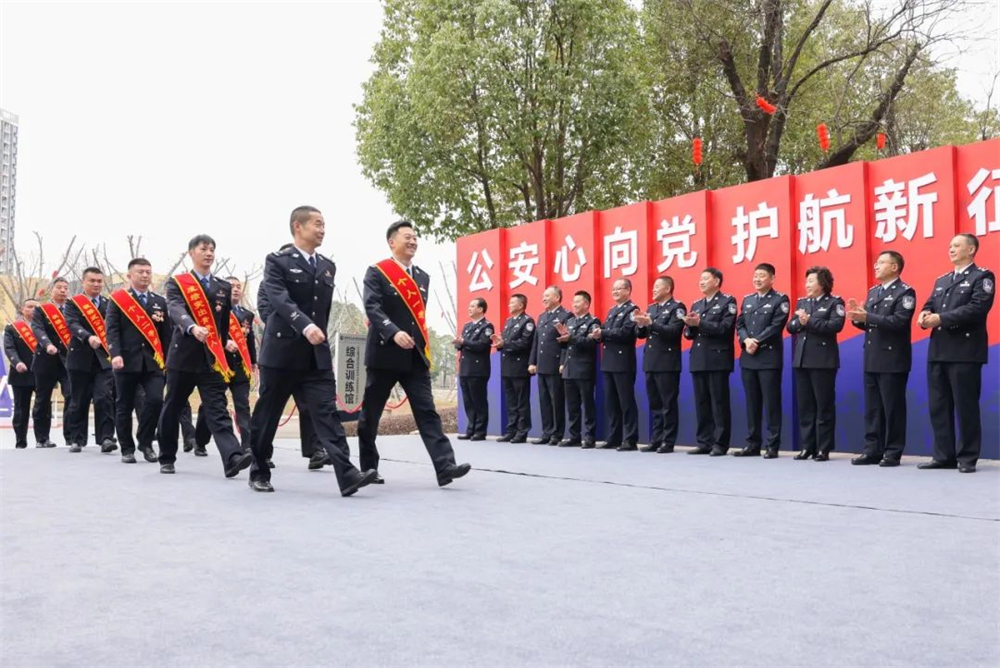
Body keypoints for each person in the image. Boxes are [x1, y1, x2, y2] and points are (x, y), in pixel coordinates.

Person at [247, 206, 379, 495]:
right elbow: (280, 300)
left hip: (314, 355)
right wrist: (305, 326)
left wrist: (315, 333)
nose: (322, 230)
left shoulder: (327, 265)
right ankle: (258, 470)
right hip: (281, 354)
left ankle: (347, 475)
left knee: (327, 414)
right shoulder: (276, 261)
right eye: (317, 224)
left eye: (324, 225)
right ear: (298, 226)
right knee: (268, 416)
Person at [357, 220, 471, 487]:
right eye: (407, 237)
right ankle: (368, 468)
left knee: (427, 411)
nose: (413, 241)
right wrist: (393, 331)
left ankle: (445, 467)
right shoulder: (377, 272)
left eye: (415, 238)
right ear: (392, 242)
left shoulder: (422, 277)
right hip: (384, 354)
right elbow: (372, 308)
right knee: (370, 415)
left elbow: (416, 318)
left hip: (414, 356)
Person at [156, 234, 253, 477]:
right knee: (173, 406)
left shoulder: (223, 286)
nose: (208, 253)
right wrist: (191, 326)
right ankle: (167, 457)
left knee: (217, 408)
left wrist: (225, 343)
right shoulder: (178, 283)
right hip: (183, 358)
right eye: (203, 249)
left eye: (211, 249)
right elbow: (175, 309)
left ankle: (232, 457)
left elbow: (223, 324)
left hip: (212, 359)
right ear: (191, 253)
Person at [917, 234, 995, 473]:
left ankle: (967, 457)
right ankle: (943, 456)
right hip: (939, 350)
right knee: (939, 406)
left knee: (965, 406)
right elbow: (930, 304)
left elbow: (977, 309)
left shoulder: (982, 277)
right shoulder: (942, 280)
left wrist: (941, 318)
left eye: (957, 245)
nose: (951, 249)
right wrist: (924, 315)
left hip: (965, 352)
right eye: (950, 245)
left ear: (971, 249)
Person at [847, 250, 915, 467]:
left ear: (894, 267)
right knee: (873, 408)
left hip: (893, 358)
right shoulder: (874, 291)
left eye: (881, 263)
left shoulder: (905, 292)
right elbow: (869, 323)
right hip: (872, 356)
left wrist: (868, 316)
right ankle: (872, 450)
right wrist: (858, 317)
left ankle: (893, 451)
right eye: (876, 263)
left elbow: (898, 322)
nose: (876, 266)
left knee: (892, 407)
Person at [256, 257, 326, 470]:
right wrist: (293, 326)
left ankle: (315, 451)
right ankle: (262, 455)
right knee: (271, 408)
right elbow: (267, 314)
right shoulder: (268, 283)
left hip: (305, 352)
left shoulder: (310, 283)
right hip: (279, 352)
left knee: (308, 405)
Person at [106, 258, 172, 464]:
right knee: (124, 405)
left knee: (155, 400)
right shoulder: (117, 300)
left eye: (148, 272)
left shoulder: (159, 302)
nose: (145, 275)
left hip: (153, 362)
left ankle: (145, 441)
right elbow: (112, 330)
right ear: (129, 275)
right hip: (125, 360)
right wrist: (115, 353)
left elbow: (166, 334)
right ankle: (127, 448)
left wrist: (169, 359)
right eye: (140, 272)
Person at [787, 266, 845, 461]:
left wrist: (809, 321)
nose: (807, 285)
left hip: (823, 361)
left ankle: (823, 448)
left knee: (823, 406)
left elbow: (835, 326)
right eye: (807, 281)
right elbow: (791, 326)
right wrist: (800, 322)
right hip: (802, 360)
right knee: (806, 406)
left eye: (811, 281)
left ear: (822, 283)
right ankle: (807, 446)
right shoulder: (803, 302)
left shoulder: (834, 303)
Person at [734, 263, 790, 459]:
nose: (757, 279)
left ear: (772, 279)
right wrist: (745, 340)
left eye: (762, 276)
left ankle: (772, 444)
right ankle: (753, 443)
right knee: (752, 403)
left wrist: (756, 340)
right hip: (748, 357)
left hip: (768, 358)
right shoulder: (748, 300)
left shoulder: (780, 299)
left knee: (771, 403)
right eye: (755, 276)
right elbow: (740, 324)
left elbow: (776, 326)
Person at [195, 276, 255, 454]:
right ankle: (200, 441)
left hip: (240, 366)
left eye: (238, 286)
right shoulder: (214, 311)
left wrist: (253, 362)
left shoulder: (247, 314)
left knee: (242, 405)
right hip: (219, 365)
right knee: (212, 405)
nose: (235, 289)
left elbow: (249, 340)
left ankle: (248, 445)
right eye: (232, 286)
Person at [683, 268, 736, 456]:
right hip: (698, 357)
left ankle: (720, 444)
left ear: (717, 281)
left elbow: (725, 328)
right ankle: (704, 441)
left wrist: (700, 324)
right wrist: (688, 326)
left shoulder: (727, 302)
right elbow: (690, 334)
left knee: (719, 402)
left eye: (706, 278)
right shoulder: (697, 304)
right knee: (702, 402)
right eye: (700, 278)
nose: (701, 281)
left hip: (717, 358)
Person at [64, 267, 116, 453]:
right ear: (83, 282)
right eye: (92, 281)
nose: (96, 284)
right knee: (79, 399)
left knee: (104, 397)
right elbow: (72, 324)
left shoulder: (108, 304)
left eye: (99, 281)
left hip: (103, 359)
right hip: (79, 358)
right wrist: (87, 337)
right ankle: (77, 439)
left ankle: (106, 438)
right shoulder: (73, 303)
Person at [633, 276, 685, 453]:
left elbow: (673, 332)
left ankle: (668, 441)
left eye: (657, 287)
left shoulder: (677, 307)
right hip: (651, 362)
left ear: (668, 289)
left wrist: (651, 323)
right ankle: (656, 439)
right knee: (654, 403)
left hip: (667, 362)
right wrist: (641, 324)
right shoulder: (651, 308)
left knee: (668, 403)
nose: (654, 290)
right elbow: (642, 335)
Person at [593, 278, 639, 451]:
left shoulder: (632, 310)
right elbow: (607, 331)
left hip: (623, 361)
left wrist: (604, 332)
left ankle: (630, 439)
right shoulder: (612, 311)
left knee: (626, 401)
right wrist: (599, 335)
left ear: (628, 290)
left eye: (619, 289)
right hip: (609, 362)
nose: (615, 292)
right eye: (613, 289)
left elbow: (626, 333)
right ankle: (614, 437)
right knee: (611, 402)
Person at [30, 278, 72, 448]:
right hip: (46, 359)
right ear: (52, 289)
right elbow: (37, 328)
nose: (63, 291)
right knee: (43, 398)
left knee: (71, 395)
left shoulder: (72, 308)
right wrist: (47, 344)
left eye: (66, 288)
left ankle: (71, 436)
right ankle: (42, 438)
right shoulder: (42, 310)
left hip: (68, 359)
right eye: (59, 287)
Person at [557, 290, 601, 448]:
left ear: (587, 304)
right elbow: (564, 346)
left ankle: (589, 437)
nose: (574, 305)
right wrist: (562, 363)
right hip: (569, 367)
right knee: (572, 405)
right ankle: (574, 436)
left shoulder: (593, 322)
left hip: (584, 368)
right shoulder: (570, 322)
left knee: (588, 404)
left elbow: (591, 343)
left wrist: (571, 338)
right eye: (573, 302)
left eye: (578, 302)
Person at [528, 286, 571, 445]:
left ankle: (557, 434)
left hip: (555, 364)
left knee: (556, 401)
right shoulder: (542, 316)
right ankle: (546, 432)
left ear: (557, 298)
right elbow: (536, 341)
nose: (544, 299)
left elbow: (566, 343)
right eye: (543, 296)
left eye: (547, 296)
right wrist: (532, 362)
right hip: (542, 364)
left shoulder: (566, 315)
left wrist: (562, 363)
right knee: (544, 400)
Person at [492, 293, 535, 443]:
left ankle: (522, 431)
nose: (509, 305)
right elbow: (505, 342)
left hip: (519, 367)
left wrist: (505, 344)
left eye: (512, 303)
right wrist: (499, 343)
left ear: (521, 305)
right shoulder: (509, 321)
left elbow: (525, 343)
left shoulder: (527, 321)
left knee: (521, 401)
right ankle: (511, 429)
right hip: (507, 366)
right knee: (511, 401)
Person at [454, 297, 492, 441]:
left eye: (472, 306)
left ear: (480, 309)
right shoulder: (467, 326)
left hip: (478, 369)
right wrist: (459, 343)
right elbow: (462, 345)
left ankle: (480, 431)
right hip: (465, 368)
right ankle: (471, 429)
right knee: (468, 401)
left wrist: (464, 342)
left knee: (478, 401)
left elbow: (482, 345)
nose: (469, 308)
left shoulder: (487, 327)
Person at [4, 298, 40, 449]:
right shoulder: (12, 328)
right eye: (29, 307)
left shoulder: (45, 327)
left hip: (41, 373)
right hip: (21, 373)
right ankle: (21, 441)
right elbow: (9, 348)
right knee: (21, 409)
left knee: (42, 408)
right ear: (22, 309)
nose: (32, 310)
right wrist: (17, 362)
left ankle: (42, 439)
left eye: (36, 307)